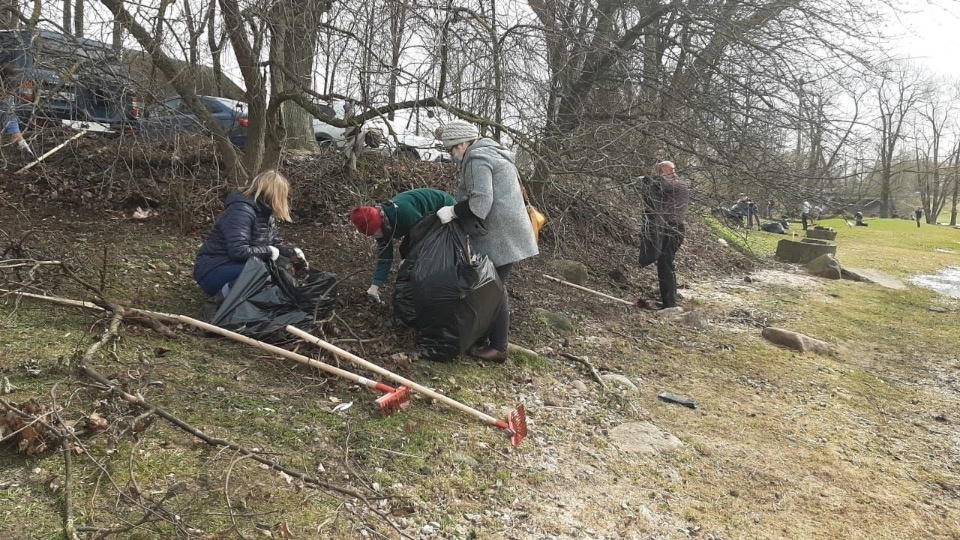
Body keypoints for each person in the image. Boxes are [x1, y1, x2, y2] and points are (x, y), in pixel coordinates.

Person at [435, 120, 539, 363]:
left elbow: (480, 204)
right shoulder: (493, 151)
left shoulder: (477, 158)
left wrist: (452, 212)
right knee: (491, 285)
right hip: (511, 230)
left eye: (452, 149)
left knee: (492, 288)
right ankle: (486, 338)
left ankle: (499, 347)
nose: (452, 155)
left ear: (463, 143)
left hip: (499, 234)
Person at [193, 170, 307, 296]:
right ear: (275, 194)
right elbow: (238, 251)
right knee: (263, 271)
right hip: (213, 269)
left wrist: (292, 252)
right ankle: (222, 299)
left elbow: (275, 243)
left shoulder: (266, 214)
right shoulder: (241, 210)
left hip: (233, 267)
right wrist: (269, 251)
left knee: (279, 268)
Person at [350, 188, 456, 302]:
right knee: (406, 252)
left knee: (424, 255)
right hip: (420, 223)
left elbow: (424, 237)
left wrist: (409, 261)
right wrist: (374, 286)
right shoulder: (381, 227)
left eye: (375, 232)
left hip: (444, 210)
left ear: (380, 222)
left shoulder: (403, 212)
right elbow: (385, 257)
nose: (377, 236)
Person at [640, 161, 690, 309]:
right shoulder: (675, 184)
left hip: (673, 229)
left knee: (665, 263)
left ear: (664, 170)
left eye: (659, 171)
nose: (658, 174)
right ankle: (669, 301)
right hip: (669, 228)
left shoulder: (677, 184)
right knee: (665, 263)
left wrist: (644, 179)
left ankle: (670, 303)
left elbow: (659, 183)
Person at [0, 64, 32, 156]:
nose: (4, 97)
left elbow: (11, 123)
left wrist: (23, 145)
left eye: (8, 93)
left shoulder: (8, 99)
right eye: (2, 92)